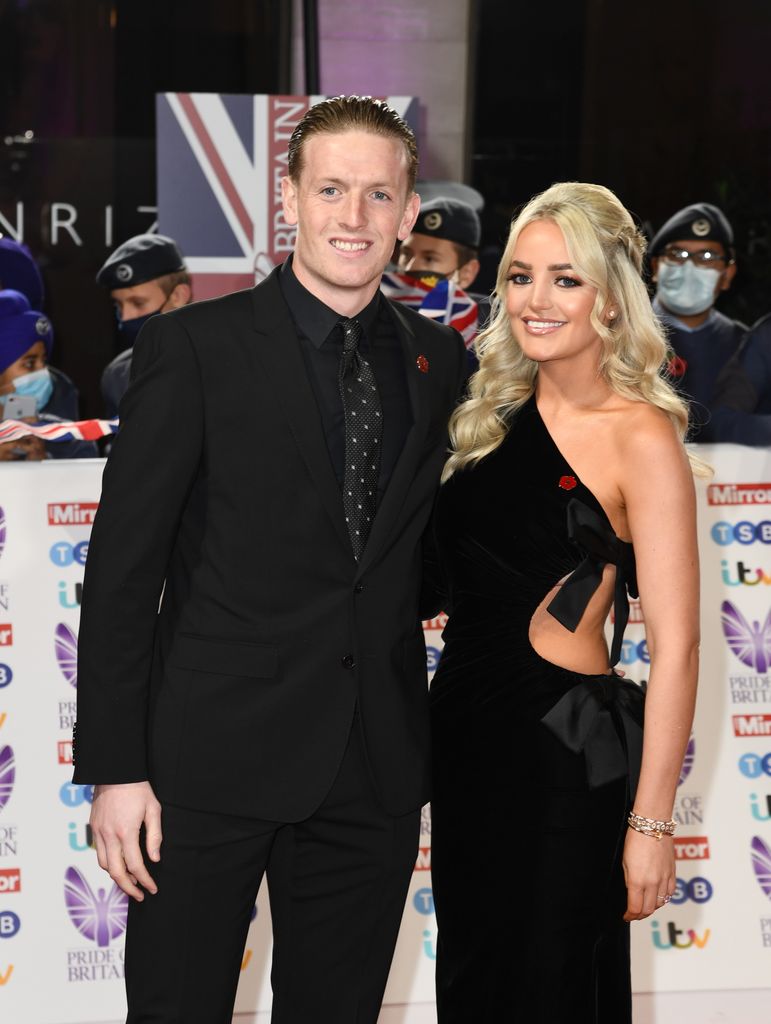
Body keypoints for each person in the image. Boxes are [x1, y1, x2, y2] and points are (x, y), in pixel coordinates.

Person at [72, 95, 466, 1023]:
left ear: (410, 214)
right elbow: (125, 574)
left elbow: (422, 555)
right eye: (331, 189)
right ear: (289, 200)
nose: (354, 217)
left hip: (371, 765)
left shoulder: (439, 363)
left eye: (379, 194)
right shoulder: (191, 348)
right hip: (203, 765)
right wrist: (118, 769)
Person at [425, 182, 700, 1022]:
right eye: (519, 276)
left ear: (611, 299)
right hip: (464, 748)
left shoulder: (641, 435)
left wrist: (651, 824)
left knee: (554, 991)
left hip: (564, 763)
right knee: (474, 989)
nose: (536, 300)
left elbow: (680, 647)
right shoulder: (484, 417)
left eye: (565, 279)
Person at [649, 201, 747, 440]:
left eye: (707, 256)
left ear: (727, 275)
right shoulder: (618, 336)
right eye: (677, 254)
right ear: (655, 266)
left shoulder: (745, 345)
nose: (690, 266)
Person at [96, 233, 192, 416]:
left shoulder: (220, 363)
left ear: (178, 296)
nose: (126, 316)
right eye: (119, 305)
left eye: (138, 303)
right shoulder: (117, 375)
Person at [0, 288, 95, 458]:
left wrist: (44, 465)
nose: (43, 373)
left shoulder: (67, 437)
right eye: (29, 364)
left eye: (43, 362)